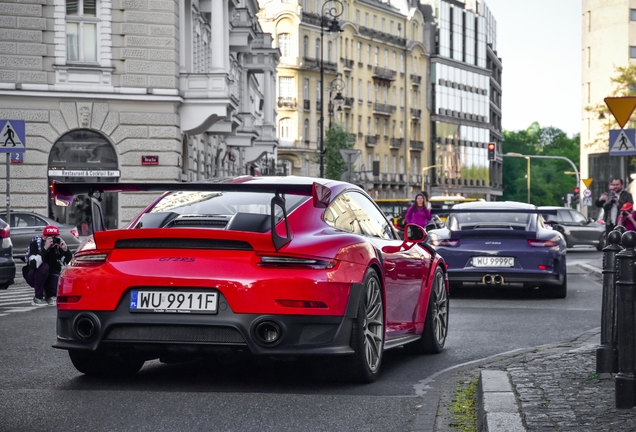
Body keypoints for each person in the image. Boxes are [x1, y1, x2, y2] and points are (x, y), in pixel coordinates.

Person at [24, 225, 73, 306]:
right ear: (43, 237)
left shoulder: (57, 246)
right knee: (44, 267)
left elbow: (69, 264)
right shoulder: (36, 244)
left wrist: (65, 250)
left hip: (50, 274)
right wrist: (45, 248)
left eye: (55, 237)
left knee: (57, 283)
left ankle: (48, 295)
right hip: (34, 275)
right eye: (49, 237)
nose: (52, 239)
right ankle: (38, 297)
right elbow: (34, 265)